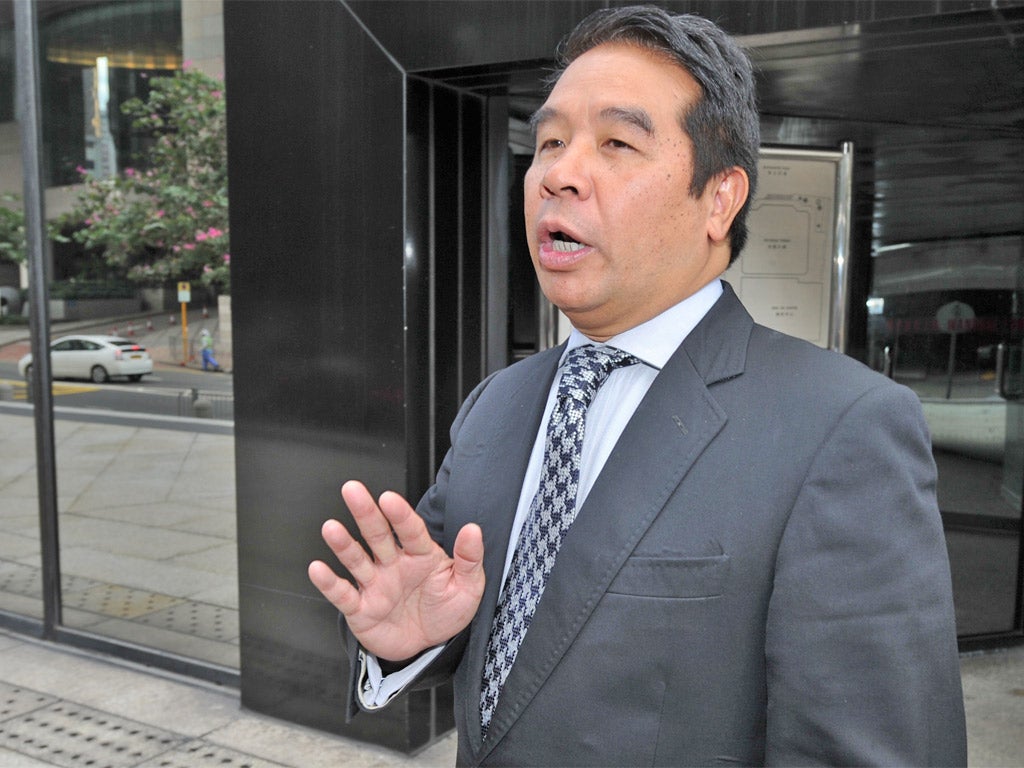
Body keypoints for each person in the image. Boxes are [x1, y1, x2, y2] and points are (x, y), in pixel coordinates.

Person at [308, 5, 967, 765]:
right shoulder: (499, 403)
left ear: (719, 198)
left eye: (617, 143)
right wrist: (411, 642)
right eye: (548, 140)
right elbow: (517, 663)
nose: (558, 172)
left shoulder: (843, 427)